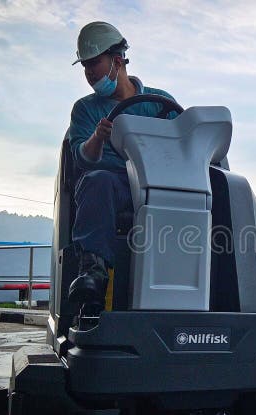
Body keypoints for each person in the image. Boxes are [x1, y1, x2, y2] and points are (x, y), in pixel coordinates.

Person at [67, 21, 177, 318]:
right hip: (113, 187)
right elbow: (82, 157)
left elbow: (182, 143)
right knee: (97, 180)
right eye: (85, 67)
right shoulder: (86, 109)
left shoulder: (160, 103)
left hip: (157, 186)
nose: (89, 73)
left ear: (117, 62)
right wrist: (98, 137)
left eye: (94, 64)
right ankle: (93, 276)